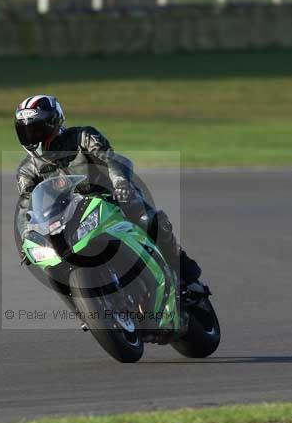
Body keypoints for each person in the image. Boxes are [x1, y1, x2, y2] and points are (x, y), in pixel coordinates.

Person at [13, 94, 201, 290]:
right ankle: (87, 314)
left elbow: (111, 159)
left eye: (37, 129)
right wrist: (28, 235)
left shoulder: (83, 137)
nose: (32, 137)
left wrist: (121, 183)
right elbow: (26, 204)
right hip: (66, 217)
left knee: (151, 221)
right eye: (25, 131)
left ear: (54, 123)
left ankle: (185, 274)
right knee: (52, 263)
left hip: (112, 198)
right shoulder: (27, 170)